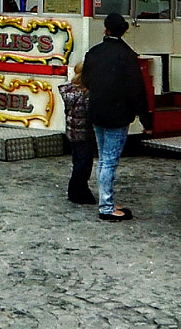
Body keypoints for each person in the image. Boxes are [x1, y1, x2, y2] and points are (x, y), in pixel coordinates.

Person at [81, 12, 152, 222]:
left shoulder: (93, 53)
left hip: (97, 111)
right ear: (124, 31)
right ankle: (106, 206)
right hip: (119, 114)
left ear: (106, 29)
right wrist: (146, 121)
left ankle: (107, 199)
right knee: (110, 160)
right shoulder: (128, 57)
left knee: (103, 158)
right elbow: (137, 91)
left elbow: (86, 79)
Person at [59, 59, 95, 205]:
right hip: (84, 132)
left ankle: (75, 189)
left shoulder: (68, 90)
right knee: (84, 163)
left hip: (71, 130)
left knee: (77, 161)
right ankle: (78, 190)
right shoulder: (86, 94)